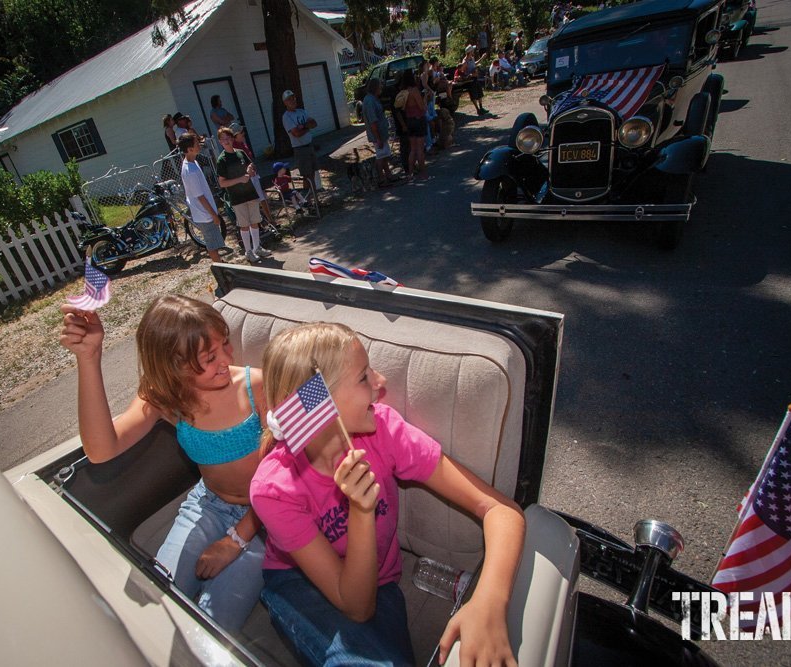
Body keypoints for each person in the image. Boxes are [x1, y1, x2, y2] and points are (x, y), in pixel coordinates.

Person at [249, 323, 525, 667]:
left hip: (379, 580)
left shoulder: (385, 430)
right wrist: (360, 512)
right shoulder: (273, 488)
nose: (381, 383)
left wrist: (488, 602)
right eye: (364, 377)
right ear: (319, 403)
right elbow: (356, 607)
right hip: (296, 581)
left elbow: (500, 510)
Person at [57, 295, 268, 633]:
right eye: (210, 357)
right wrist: (89, 358)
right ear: (174, 366)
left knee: (213, 626)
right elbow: (101, 449)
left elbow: (286, 479)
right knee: (159, 605)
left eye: (225, 344)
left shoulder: (256, 387)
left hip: (265, 517)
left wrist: (235, 541)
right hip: (208, 506)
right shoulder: (165, 399)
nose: (227, 358)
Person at [216, 126, 271, 264]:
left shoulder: (240, 153)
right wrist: (239, 179)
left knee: (255, 221)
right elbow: (222, 183)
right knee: (244, 225)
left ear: (232, 138)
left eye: (228, 138)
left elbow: (251, 166)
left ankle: (257, 247)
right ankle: (248, 252)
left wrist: (250, 170)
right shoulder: (222, 160)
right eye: (223, 139)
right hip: (237, 197)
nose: (226, 141)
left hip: (250, 193)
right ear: (220, 142)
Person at [178, 133, 227, 263]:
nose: (199, 145)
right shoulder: (190, 170)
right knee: (212, 245)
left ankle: (221, 265)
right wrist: (214, 215)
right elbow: (199, 196)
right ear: (189, 149)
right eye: (196, 144)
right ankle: (220, 270)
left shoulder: (193, 162)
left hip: (205, 212)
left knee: (215, 242)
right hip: (204, 214)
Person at [229, 122, 274, 227]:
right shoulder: (234, 148)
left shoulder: (243, 144)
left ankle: (268, 220)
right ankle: (267, 222)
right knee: (258, 200)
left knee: (262, 197)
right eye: (241, 132)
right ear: (235, 136)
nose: (243, 133)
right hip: (248, 177)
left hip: (254, 175)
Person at [281, 90, 320, 194]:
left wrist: (304, 127)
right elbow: (296, 133)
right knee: (307, 175)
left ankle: (310, 200)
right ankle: (313, 200)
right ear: (285, 102)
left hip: (309, 145)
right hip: (300, 148)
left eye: (293, 98)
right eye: (289, 99)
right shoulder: (286, 116)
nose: (292, 101)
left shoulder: (302, 112)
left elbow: (314, 123)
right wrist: (307, 127)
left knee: (311, 173)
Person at [361, 79, 394, 186]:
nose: (381, 88)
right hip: (377, 134)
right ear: (375, 87)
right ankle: (380, 179)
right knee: (380, 156)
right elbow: (373, 121)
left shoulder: (373, 99)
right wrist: (378, 138)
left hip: (381, 133)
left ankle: (388, 175)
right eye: (380, 85)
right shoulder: (369, 101)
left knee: (384, 155)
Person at [401, 69, 427, 179]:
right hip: (418, 119)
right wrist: (425, 98)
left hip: (409, 120)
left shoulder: (404, 92)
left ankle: (410, 173)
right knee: (420, 148)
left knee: (412, 149)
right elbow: (422, 107)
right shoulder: (414, 91)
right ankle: (423, 174)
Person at [459, 45, 487, 115]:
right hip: (470, 80)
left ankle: (481, 108)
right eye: (472, 50)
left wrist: (481, 58)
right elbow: (462, 71)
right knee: (473, 95)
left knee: (479, 92)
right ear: (470, 52)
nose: (473, 51)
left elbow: (474, 64)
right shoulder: (465, 61)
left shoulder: (472, 58)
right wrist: (469, 74)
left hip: (475, 78)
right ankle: (478, 109)